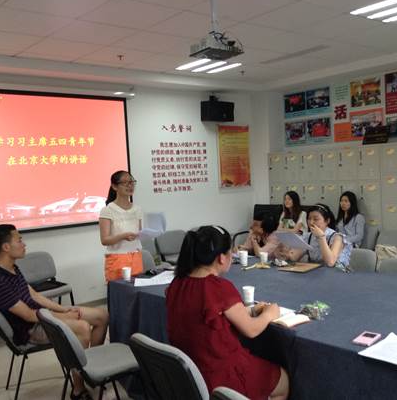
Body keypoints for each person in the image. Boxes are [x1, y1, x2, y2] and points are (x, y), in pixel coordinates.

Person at [0, 224, 108, 400]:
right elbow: (28, 315)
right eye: (19, 240)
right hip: (29, 329)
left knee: (102, 316)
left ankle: (90, 371)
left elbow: (33, 294)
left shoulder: (11, 267)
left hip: (41, 316)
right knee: (82, 327)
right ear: (6, 247)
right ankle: (78, 389)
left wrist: (63, 309)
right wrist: (61, 316)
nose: (24, 244)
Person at [166, 226, 289, 400]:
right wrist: (270, 313)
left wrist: (251, 310)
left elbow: (208, 316)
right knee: (283, 381)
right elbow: (251, 330)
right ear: (222, 258)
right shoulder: (218, 288)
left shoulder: (178, 283)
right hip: (219, 374)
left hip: (190, 371)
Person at [99, 170, 142, 282]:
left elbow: (139, 233)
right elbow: (104, 240)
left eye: (132, 182)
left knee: (138, 290)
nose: (130, 185)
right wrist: (123, 236)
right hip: (117, 259)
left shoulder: (137, 209)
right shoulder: (108, 210)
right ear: (114, 186)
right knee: (119, 291)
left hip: (136, 257)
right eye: (125, 182)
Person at [284, 204, 352, 270]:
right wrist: (285, 252)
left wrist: (321, 237)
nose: (311, 222)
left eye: (316, 219)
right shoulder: (308, 236)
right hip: (316, 273)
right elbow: (294, 257)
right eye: (309, 219)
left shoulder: (337, 238)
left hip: (337, 273)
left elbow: (330, 262)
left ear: (327, 221)